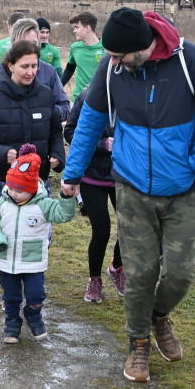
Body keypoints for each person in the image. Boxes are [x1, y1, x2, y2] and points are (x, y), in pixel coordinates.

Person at [62, 8, 195, 383]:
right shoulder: (112, 69)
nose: (114, 62)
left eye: (120, 56)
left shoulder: (194, 62)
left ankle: (158, 317)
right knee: (139, 273)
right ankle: (138, 341)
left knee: (181, 273)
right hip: (133, 186)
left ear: (142, 47)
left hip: (184, 189)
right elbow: (90, 121)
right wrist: (72, 174)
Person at [0, 144, 77, 343]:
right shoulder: (3, 203)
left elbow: (64, 214)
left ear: (32, 188)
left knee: (36, 293)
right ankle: (12, 323)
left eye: (20, 190)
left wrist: (67, 197)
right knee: (10, 295)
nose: (13, 193)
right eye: (11, 187)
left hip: (33, 260)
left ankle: (33, 315)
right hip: (7, 259)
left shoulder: (43, 204)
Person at [0, 19, 70, 202]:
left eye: (34, 66)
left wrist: (57, 153)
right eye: (24, 66)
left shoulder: (46, 86)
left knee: (39, 229)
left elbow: (55, 130)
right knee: (5, 229)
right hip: (4, 178)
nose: (30, 71)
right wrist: (2, 153)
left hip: (37, 178)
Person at [65, 87, 125, 302]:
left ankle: (117, 267)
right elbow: (70, 132)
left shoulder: (135, 95)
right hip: (92, 175)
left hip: (124, 176)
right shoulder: (88, 96)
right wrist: (102, 144)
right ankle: (95, 281)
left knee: (130, 227)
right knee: (102, 231)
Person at [62, 11, 106, 99]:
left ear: (87, 28)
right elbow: (69, 70)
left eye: (77, 27)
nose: (74, 31)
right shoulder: (75, 47)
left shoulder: (107, 48)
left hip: (99, 100)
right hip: (77, 99)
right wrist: (58, 87)